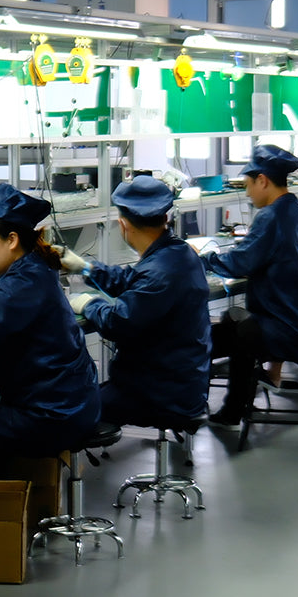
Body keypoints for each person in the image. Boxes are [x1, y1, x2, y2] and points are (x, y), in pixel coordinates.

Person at [0, 183, 100, 468]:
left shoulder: (24, 283)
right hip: (71, 404)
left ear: (11, 240)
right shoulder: (35, 269)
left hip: (53, 415)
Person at [60, 175, 210, 426]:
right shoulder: (178, 253)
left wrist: (88, 304)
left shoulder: (160, 271)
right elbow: (133, 279)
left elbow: (118, 323)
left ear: (122, 225)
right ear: (165, 218)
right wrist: (86, 268)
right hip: (179, 384)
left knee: (63, 411)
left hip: (158, 395)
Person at [201, 145, 298, 430]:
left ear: (263, 180)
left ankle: (206, 408)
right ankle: (234, 407)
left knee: (208, 338)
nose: (246, 193)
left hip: (286, 330)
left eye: (247, 185)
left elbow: (241, 263)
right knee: (233, 322)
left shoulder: (271, 217)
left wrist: (205, 261)